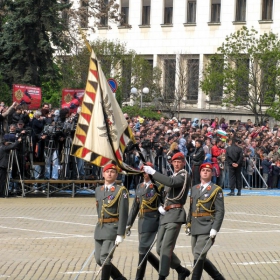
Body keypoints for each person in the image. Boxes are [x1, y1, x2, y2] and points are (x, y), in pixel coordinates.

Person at [143, 152, 191, 280]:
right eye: (174, 162)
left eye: (179, 162)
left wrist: (153, 172)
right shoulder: (172, 176)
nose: (176, 164)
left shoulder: (184, 175)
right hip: (166, 214)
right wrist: (161, 204)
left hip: (175, 214)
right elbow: (162, 193)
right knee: (159, 248)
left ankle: (162, 277)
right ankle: (181, 270)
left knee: (166, 248)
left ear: (183, 163)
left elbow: (171, 182)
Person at [186, 163, 225, 280]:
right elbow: (191, 208)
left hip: (207, 225)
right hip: (195, 225)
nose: (205, 172)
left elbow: (220, 211)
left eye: (208, 170)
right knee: (198, 254)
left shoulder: (216, 190)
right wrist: (188, 223)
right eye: (203, 170)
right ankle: (218, 278)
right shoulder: (194, 188)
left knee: (198, 254)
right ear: (200, 172)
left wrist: (215, 229)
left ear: (212, 173)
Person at [126, 162, 162, 279]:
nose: (145, 173)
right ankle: (162, 270)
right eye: (143, 171)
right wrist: (128, 224)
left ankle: (138, 277)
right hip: (141, 222)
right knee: (144, 250)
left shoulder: (158, 186)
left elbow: (163, 204)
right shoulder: (140, 187)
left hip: (152, 221)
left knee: (142, 249)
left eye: (147, 170)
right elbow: (135, 207)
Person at [94, 163, 129, 280]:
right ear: (103, 174)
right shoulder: (98, 190)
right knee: (98, 258)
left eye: (112, 172)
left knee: (105, 257)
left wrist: (120, 233)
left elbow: (123, 213)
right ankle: (119, 278)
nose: (109, 173)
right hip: (100, 228)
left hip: (112, 228)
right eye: (107, 171)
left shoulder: (121, 191)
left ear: (116, 175)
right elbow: (98, 209)